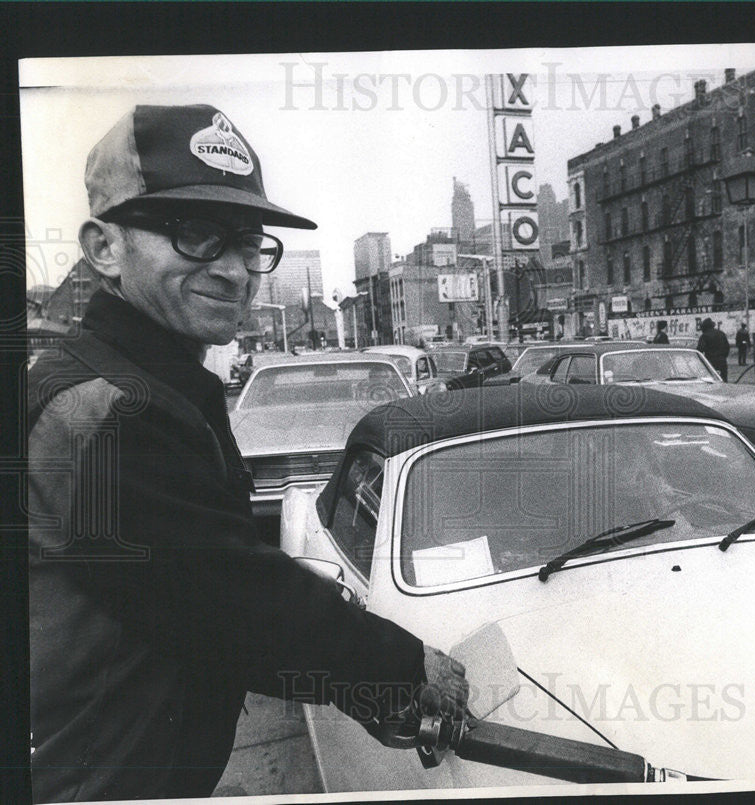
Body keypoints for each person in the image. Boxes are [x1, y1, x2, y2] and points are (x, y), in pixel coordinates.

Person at [27, 104, 468, 802]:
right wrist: (399, 668)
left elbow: (206, 589)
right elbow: (227, 596)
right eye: (198, 233)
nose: (236, 271)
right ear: (104, 247)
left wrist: (355, 682)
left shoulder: (135, 381)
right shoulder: (108, 410)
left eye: (249, 242)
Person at [696, 317, 730, 381]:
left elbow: (699, 350)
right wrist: (723, 357)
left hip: (710, 361)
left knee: (712, 380)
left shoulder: (704, 336)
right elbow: (727, 347)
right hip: (722, 361)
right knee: (723, 379)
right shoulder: (721, 333)